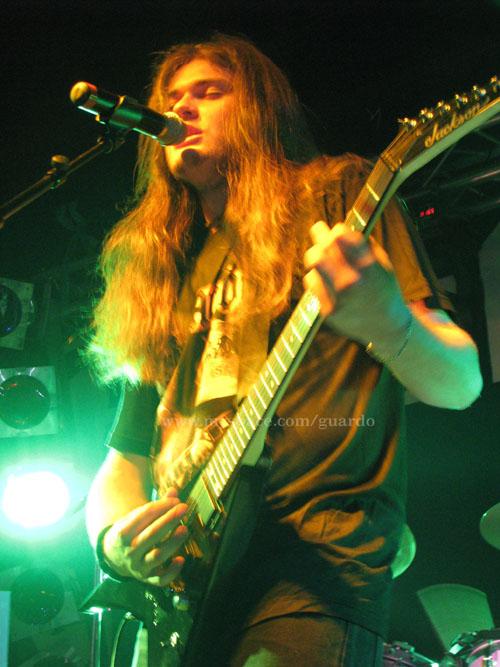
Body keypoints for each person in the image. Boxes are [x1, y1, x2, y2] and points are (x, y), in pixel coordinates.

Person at [84, 34, 482, 666]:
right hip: (181, 591)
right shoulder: (162, 261)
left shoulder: (334, 196)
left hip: (312, 565)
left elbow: (460, 383)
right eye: (172, 97)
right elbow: (125, 456)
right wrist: (114, 543)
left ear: (260, 111)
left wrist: (387, 321)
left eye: (209, 92)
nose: (181, 108)